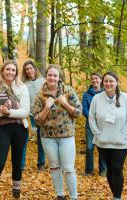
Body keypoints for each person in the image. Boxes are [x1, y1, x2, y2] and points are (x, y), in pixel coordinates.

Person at [33, 64, 82, 200]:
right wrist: (47, 107)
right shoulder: (40, 94)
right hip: (48, 137)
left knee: (68, 167)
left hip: (66, 136)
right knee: (54, 166)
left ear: (59, 77)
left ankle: (73, 197)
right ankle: (59, 195)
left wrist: (65, 103)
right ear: (46, 76)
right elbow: (37, 120)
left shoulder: (68, 91)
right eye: (50, 75)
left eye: (55, 75)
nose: (52, 78)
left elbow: (78, 113)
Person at [0, 60, 30, 200]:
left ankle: (16, 191)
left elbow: (25, 112)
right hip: (2, 129)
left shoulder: (22, 88)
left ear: (16, 73)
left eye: (13, 70)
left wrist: (9, 112)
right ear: (3, 71)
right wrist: (0, 111)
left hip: (19, 129)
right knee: (0, 162)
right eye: (7, 69)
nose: (10, 72)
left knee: (17, 162)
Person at [89, 72, 127, 200]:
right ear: (102, 83)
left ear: (117, 82)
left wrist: (124, 134)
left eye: (111, 81)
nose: (108, 83)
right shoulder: (96, 99)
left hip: (121, 142)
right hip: (103, 142)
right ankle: (115, 194)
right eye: (106, 81)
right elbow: (91, 118)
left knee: (117, 167)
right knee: (109, 169)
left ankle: (117, 197)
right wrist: (97, 134)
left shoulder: (125, 98)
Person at [20, 60, 46, 171]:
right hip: (28, 115)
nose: (29, 71)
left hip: (41, 114)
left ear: (35, 69)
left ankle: (41, 163)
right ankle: (21, 165)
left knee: (41, 140)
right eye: (27, 69)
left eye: (31, 68)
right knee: (24, 139)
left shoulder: (43, 81)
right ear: (25, 72)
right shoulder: (23, 84)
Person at [82, 72, 107, 176]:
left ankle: (103, 170)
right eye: (92, 79)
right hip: (90, 125)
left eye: (96, 78)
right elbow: (84, 110)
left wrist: (101, 118)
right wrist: (93, 119)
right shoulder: (86, 94)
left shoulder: (105, 93)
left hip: (103, 125)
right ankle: (89, 170)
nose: (94, 80)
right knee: (89, 148)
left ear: (100, 80)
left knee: (102, 147)